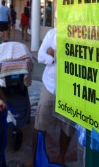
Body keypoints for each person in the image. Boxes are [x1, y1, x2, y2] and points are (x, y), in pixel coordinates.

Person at [27, 26, 75, 166]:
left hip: (70, 88)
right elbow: (41, 56)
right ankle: (33, 157)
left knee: (67, 125)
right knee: (41, 121)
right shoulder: (52, 33)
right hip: (50, 85)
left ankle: (61, 157)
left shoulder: (81, 34)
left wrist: (54, 53)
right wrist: (55, 57)